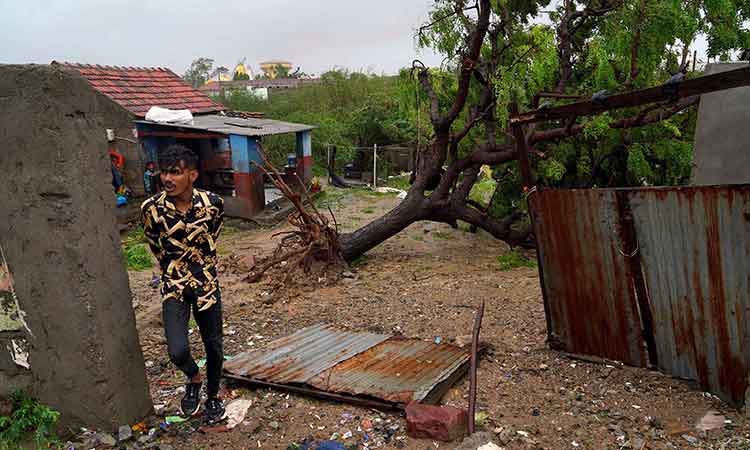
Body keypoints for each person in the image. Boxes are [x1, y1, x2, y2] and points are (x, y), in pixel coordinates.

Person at [140, 145, 226, 423]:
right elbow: (156, 245)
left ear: (192, 175)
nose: (168, 178)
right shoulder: (151, 209)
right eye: (164, 172)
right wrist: (174, 268)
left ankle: (213, 395)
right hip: (174, 285)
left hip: (206, 284)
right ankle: (194, 378)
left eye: (175, 172)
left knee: (214, 346)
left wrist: (200, 266)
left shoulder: (213, 204)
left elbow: (213, 236)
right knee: (177, 350)